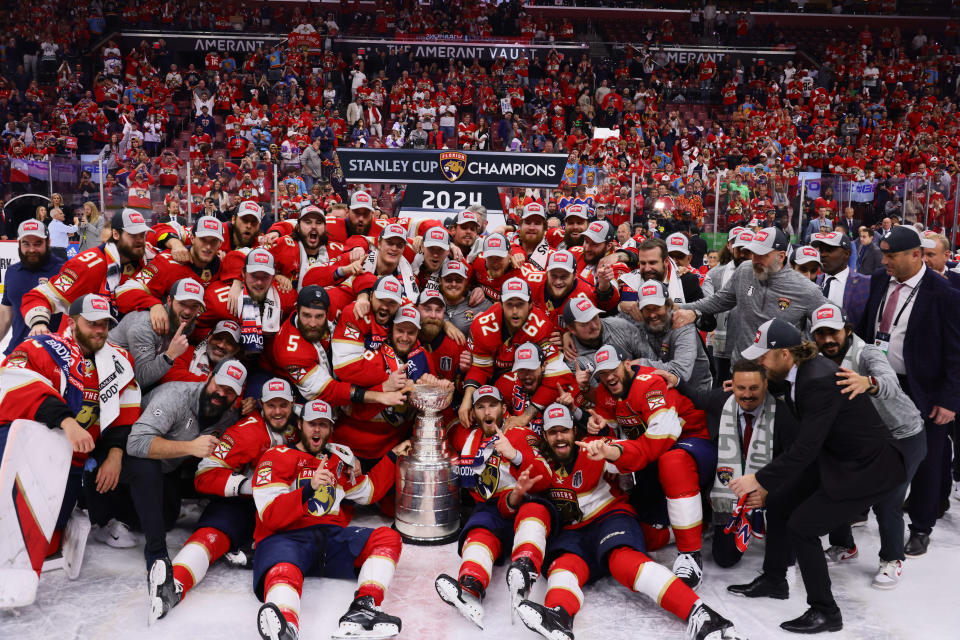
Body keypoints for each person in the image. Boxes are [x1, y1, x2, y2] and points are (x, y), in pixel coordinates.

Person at [728, 319, 906, 633]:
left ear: (785, 354)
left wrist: (759, 479)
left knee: (802, 527)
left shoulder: (818, 380)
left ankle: (826, 611)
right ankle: (774, 579)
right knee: (781, 501)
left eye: (763, 357)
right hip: (839, 458)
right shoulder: (801, 372)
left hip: (868, 469)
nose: (758, 362)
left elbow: (806, 448)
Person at [515, 403, 742, 640]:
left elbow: (631, 456)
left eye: (565, 430)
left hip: (610, 517)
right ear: (545, 435)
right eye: (553, 432)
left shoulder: (592, 447)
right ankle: (558, 616)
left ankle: (702, 614)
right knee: (562, 567)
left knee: (624, 560)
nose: (560, 437)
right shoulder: (542, 464)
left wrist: (608, 451)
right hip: (574, 533)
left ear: (575, 431)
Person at [0, 294, 139, 600]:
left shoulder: (119, 360)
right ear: (73, 321)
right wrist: (66, 421)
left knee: (48, 538)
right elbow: (11, 382)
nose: (99, 330)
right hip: (28, 445)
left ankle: (74, 510)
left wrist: (115, 453)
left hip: (73, 461)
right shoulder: (41, 346)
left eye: (104, 324)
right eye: (92, 323)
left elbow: (127, 408)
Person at [250, 398, 410, 640]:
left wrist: (392, 456)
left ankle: (363, 610)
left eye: (324, 425)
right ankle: (285, 625)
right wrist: (308, 489)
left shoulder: (338, 462)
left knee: (387, 537)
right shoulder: (276, 456)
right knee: (283, 569)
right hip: (286, 537)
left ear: (331, 429)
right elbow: (271, 516)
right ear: (301, 424)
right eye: (312, 423)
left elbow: (369, 492)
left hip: (328, 539)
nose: (317, 430)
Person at [150, 378, 299, 622]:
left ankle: (283, 609)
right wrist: (249, 487)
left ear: (293, 404)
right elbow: (204, 474)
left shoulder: (303, 422)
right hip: (243, 500)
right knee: (212, 533)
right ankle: (173, 584)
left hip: (282, 507)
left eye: (283, 405)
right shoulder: (247, 432)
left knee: (289, 546)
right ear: (261, 405)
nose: (278, 411)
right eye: (272, 405)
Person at [856, 226, 960, 557]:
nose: (884, 260)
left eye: (891, 255)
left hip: (922, 389)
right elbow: (865, 329)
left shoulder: (944, 294)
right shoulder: (877, 281)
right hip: (879, 382)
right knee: (871, 447)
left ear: (916, 255)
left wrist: (949, 399)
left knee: (927, 458)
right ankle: (862, 508)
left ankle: (920, 527)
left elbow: (957, 353)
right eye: (883, 254)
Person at [809, 303, 926, 589]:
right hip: (864, 439)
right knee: (834, 486)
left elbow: (890, 382)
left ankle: (892, 559)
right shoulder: (818, 359)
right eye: (820, 333)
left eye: (833, 332)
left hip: (903, 436)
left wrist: (868, 383)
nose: (827, 339)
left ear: (847, 330)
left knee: (887, 499)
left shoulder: (867, 352)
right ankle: (843, 546)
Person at [589, 345, 715, 588]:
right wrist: (598, 430)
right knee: (640, 530)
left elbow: (660, 439)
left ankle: (690, 552)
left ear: (626, 363)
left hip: (691, 442)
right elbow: (610, 435)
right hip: (649, 456)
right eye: (602, 374)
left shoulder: (649, 384)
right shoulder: (605, 392)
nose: (609, 377)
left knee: (672, 461)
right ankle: (700, 524)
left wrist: (619, 456)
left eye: (613, 369)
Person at [434, 385, 553, 627]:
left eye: (493, 405)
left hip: (524, 506)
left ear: (503, 409)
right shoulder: (467, 437)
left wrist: (515, 455)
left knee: (535, 510)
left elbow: (546, 477)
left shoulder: (520, 434)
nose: (487, 411)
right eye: (481, 406)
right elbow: (443, 418)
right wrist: (452, 391)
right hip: (492, 510)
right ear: (474, 413)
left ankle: (525, 569)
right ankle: (470, 587)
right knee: (479, 529)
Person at [126, 360, 246, 599]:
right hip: (128, 461)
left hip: (166, 470)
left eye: (230, 390)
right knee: (146, 466)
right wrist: (190, 447)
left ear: (237, 396)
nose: (221, 393)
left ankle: (115, 515)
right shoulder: (175, 397)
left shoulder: (228, 414)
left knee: (168, 517)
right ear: (209, 377)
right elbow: (135, 443)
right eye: (219, 384)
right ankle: (157, 554)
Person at [678, 359, 797, 568]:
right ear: (732, 385)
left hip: (769, 490)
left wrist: (769, 492)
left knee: (786, 560)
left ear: (766, 385)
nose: (747, 395)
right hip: (730, 492)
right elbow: (695, 397)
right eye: (741, 388)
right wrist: (675, 378)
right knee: (724, 559)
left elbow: (795, 464)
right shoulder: (722, 400)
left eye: (754, 388)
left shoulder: (782, 414)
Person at [674, 228, 827, 361]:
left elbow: (830, 325)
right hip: (742, 368)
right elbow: (719, 300)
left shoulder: (806, 289)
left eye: (762, 255)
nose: (755, 260)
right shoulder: (745, 270)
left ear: (780, 256)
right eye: (754, 253)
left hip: (779, 377)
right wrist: (683, 307)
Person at [22, 209, 149, 336]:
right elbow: (39, 296)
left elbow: (162, 234)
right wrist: (39, 323)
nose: (140, 240)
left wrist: (170, 240)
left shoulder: (145, 256)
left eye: (142, 234)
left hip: (121, 342)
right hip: (78, 346)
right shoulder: (84, 266)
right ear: (116, 236)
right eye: (133, 235)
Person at [109, 278, 206, 392]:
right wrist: (170, 355)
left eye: (194, 306)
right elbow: (140, 380)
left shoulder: (185, 322)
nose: (188, 311)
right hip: (104, 375)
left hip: (122, 380)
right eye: (182, 303)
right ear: (169, 301)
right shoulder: (145, 325)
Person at [633, 280, 713, 393]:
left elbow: (680, 371)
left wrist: (639, 363)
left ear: (668, 306)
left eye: (656, 308)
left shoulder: (682, 324)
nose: (652, 314)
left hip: (694, 394)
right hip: (659, 390)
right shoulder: (641, 323)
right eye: (647, 309)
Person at [0, 220, 66, 355]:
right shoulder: (12, 272)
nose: (31, 249)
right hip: (16, 354)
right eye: (26, 243)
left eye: (38, 243)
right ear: (19, 244)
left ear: (48, 242)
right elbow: (6, 314)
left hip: (54, 357)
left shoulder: (64, 271)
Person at [810, 231, 871, 327]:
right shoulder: (813, 281)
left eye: (829, 250)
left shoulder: (865, 284)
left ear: (847, 254)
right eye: (821, 250)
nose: (822, 254)